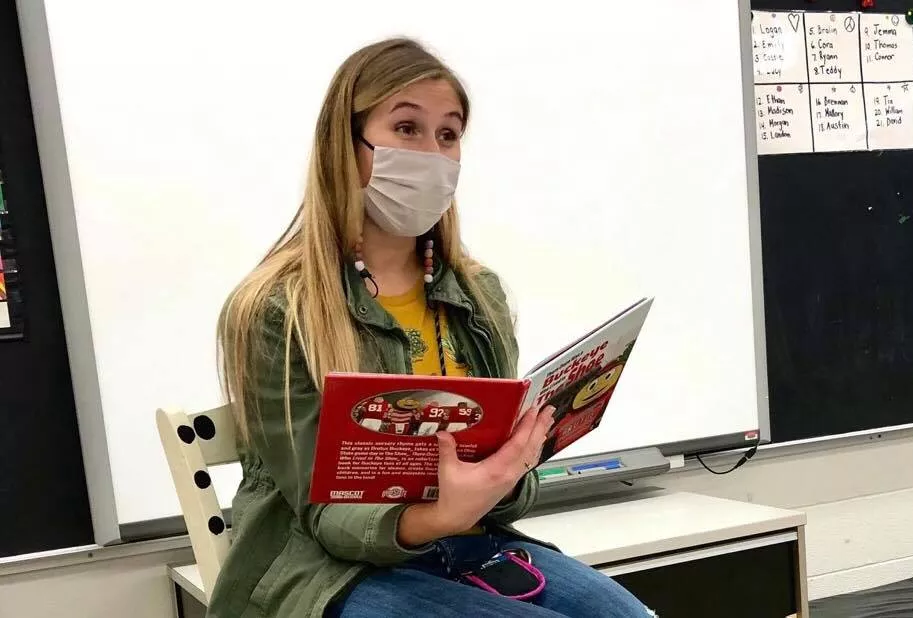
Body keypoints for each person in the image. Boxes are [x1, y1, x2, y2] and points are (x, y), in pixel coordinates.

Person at [209, 37, 656, 618]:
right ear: (345, 144)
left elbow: (503, 490)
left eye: (448, 134)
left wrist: (513, 467)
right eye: (407, 128)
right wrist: (441, 514)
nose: (432, 155)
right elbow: (324, 516)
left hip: (471, 544)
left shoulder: (478, 294)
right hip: (328, 571)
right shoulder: (278, 309)